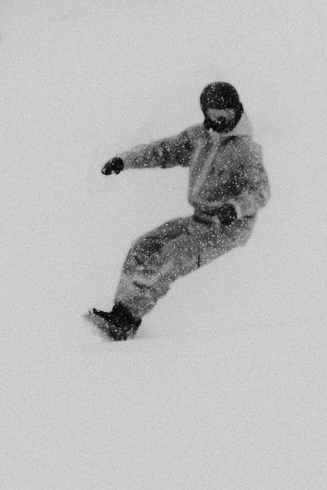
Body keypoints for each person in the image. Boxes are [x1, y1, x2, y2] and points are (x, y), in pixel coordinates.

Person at [88, 81, 271, 341]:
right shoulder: (200, 138)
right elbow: (163, 151)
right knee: (143, 246)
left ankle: (126, 318)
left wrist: (235, 208)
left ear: (237, 110)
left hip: (227, 228)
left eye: (226, 114)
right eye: (214, 114)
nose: (220, 120)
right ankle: (122, 313)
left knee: (170, 255)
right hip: (200, 219)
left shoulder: (244, 149)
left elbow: (260, 190)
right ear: (205, 113)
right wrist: (126, 160)